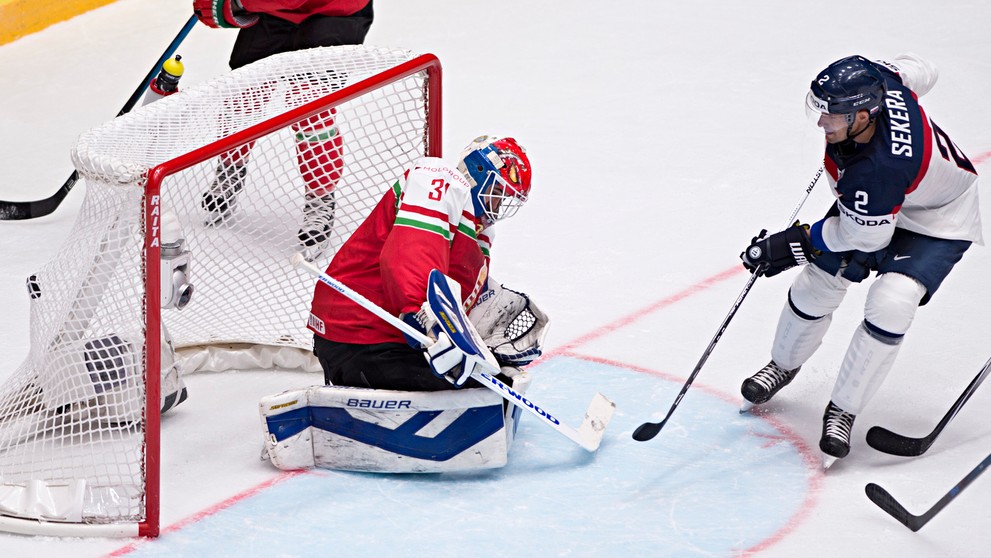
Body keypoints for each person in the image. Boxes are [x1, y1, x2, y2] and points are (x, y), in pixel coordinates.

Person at [739, 53, 982, 468]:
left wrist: (798, 242)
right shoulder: (880, 81)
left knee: (892, 301)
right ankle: (782, 365)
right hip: (885, 203)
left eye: (832, 117)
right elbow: (924, 69)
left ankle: (843, 409)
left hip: (938, 218)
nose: (821, 125)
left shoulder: (880, 169)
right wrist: (897, 72)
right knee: (821, 279)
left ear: (864, 115)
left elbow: (863, 236)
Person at [306, 136, 545, 391]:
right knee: (476, 389)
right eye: (496, 193)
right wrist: (419, 311)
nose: (497, 206)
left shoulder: (479, 238)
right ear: (477, 174)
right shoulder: (440, 182)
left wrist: (483, 336)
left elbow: (453, 296)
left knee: (496, 380)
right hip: (356, 333)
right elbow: (412, 250)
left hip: (389, 339)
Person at [192, 0, 374, 259]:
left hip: (334, 12)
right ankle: (230, 171)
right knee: (243, 99)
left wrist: (235, 3)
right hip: (272, 11)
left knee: (309, 106)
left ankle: (320, 198)